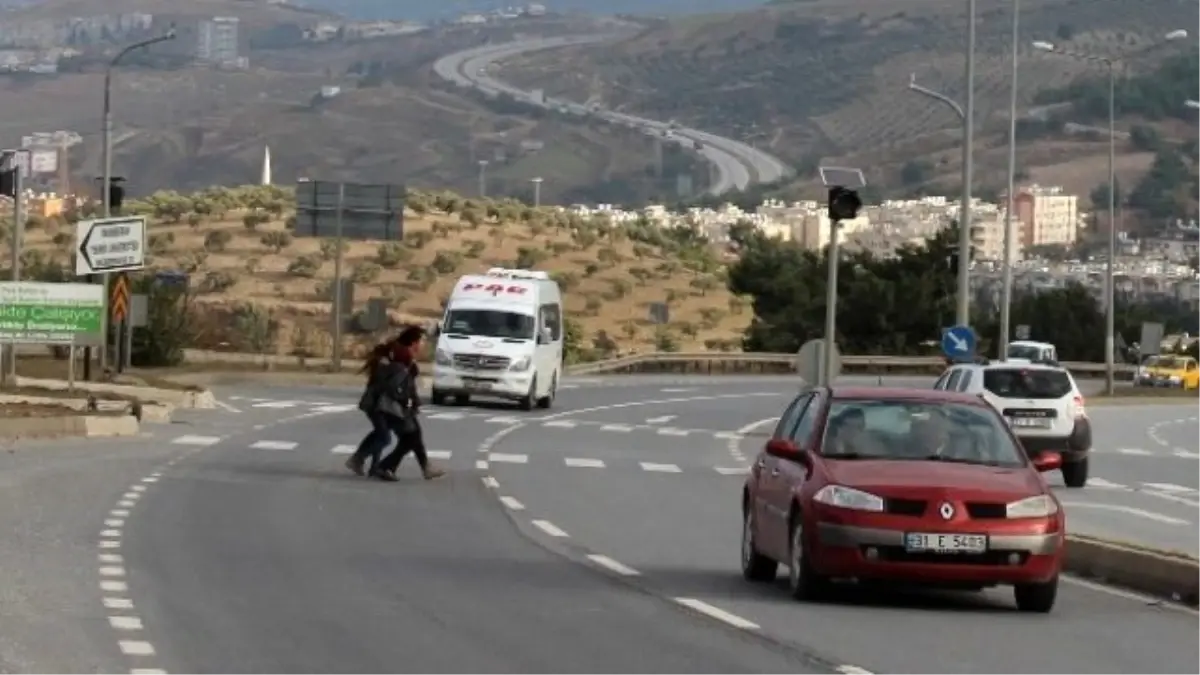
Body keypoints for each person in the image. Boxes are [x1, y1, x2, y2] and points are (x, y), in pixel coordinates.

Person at [374, 326, 446, 482]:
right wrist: (406, 400)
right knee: (411, 438)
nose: (423, 345)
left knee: (413, 436)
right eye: (421, 341)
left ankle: (424, 467)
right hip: (397, 406)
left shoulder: (403, 354)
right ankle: (386, 466)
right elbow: (398, 384)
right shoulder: (403, 356)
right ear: (414, 342)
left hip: (401, 405)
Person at [344, 341, 397, 477]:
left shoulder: (383, 363)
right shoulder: (383, 365)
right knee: (385, 438)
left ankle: (374, 466)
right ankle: (358, 458)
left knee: (379, 434)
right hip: (376, 406)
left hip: (377, 405)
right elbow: (383, 386)